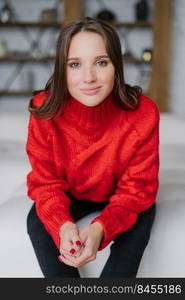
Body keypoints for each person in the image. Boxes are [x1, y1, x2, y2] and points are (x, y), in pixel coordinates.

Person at [26, 16, 159, 278]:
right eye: (75, 64)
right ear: (63, 70)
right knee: (38, 221)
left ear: (116, 67)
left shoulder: (143, 113)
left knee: (139, 221)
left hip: (126, 194)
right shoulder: (44, 110)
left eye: (101, 62)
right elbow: (45, 184)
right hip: (70, 192)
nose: (88, 77)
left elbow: (136, 190)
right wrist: (63, 227)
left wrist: (100, 229)